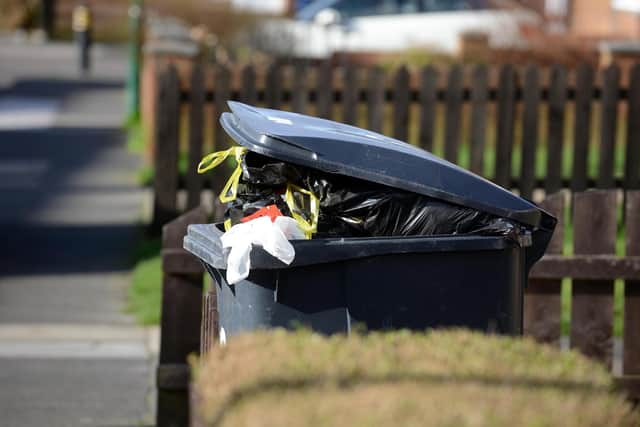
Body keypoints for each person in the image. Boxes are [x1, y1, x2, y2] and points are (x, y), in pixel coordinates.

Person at [72, 2, 92, 75]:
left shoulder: (81, 10)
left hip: (83, 30)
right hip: (83, 30)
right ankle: (84, 66)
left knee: (84, 50)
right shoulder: (83, 10)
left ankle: (84, 66)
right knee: (84, 50)